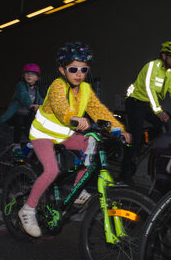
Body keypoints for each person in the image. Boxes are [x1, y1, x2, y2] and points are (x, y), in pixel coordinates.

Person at [18, 42, 131, 237]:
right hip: (43, 133)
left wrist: (119, 129)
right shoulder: (57, 86)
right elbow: (62, 108)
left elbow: (98, 110)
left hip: (65, 134)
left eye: (83, 69)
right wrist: (74, 118)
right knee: (52, 170)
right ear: (62, 70)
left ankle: (78, 191)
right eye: (73, 69)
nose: (79, 73)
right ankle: (27, 209)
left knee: (92, 145)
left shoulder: (86, 89)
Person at [122, 41, 171, 183]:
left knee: (160, 126)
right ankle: (124, 173)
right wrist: (158, 110)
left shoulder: (169, 72)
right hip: (135, 102)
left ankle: (141, 141)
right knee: (134, 136)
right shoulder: (152, 66)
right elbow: (149, 88)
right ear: (164, 56)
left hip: (147, 104)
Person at [0, 63, 43, 159]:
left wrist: (46, 108)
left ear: (37, 78)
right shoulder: (21, 86)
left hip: (27, 117)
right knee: (20, 120)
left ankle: (28, 153)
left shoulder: (36, 90)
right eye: (27, 73)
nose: (29, 75)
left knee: (34, 131)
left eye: (32, 74)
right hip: (14, 116)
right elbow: (23, 95)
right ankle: (16, 145)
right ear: (23, 75)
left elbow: (41, 101)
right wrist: (30, 105)